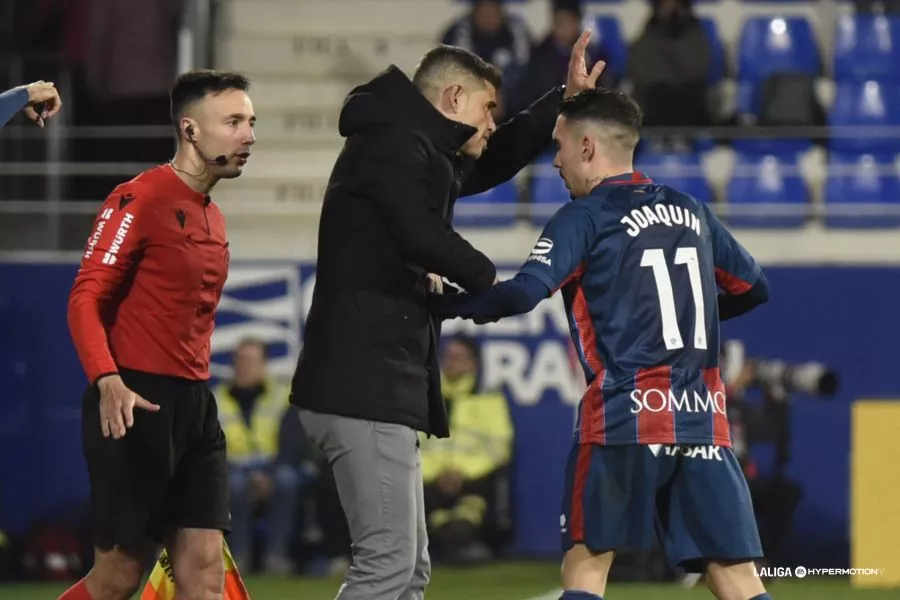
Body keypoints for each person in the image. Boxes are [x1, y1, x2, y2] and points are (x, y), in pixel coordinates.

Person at [291, 33, 604, 600]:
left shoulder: (414, 147)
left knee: (408, 573)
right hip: (362, 386)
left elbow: (495, 159)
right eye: (487, 110)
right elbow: (419, 232)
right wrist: (491, 282)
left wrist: (563, 99)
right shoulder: (396, 145)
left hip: (376, 384)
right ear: (454, 97)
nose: (490, 123)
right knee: (386, 567)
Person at [429, 87, 773, 600]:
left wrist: (442, 306)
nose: (556, 162)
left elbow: (524, 293)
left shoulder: (587, 217)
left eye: (559, 146)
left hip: (622, 418)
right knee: (736, 578)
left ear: (587, 147)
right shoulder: (693, 211)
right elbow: (753, 287)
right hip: (703, 418)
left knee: (587, 571)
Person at [62, 70, 256, 600]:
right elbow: (84, 298)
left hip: (195, 406)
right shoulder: (138, 198)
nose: (249, 136)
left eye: (251, 122)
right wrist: (108, 380)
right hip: (132, 402)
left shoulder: (213, 215)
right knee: (118, 579)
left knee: (205, 574)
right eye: (234, 121)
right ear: (190, 130)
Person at [216, 338, 301, 575]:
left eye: (251, 361)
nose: (244, 367)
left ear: (264, 365)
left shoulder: (282, 396)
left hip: (273, 468)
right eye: (240, 361)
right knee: (233, 484)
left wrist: (267, 474)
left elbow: (291, 444)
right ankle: (239, 558)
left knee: (287, 479)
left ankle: (277, 557)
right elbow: (211, 448)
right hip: (231, 468)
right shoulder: (216, 399)